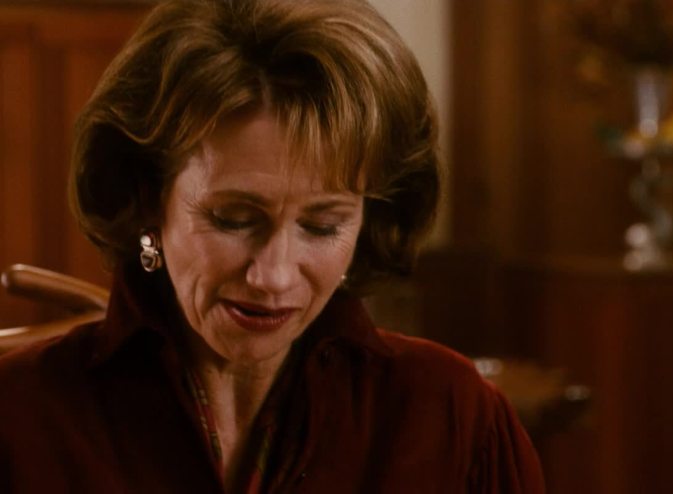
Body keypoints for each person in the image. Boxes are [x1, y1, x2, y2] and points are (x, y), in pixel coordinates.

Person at [0, 0, 545, 492]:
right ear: (145, 196)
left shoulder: (452, 417)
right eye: (234, 219)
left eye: (323, 226)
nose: (274, 277)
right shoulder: (18, 417)